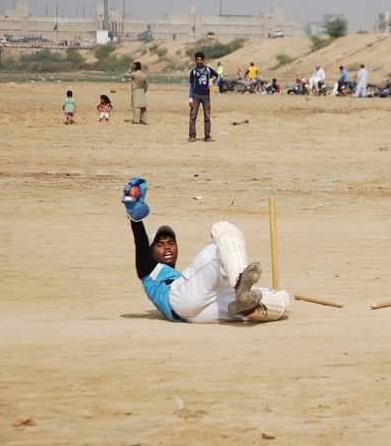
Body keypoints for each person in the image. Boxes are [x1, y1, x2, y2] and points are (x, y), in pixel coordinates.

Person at [121, 177, 290, 324]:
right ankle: (239, 283)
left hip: (195, 315)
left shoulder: (180, 277)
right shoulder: (150, 273)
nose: (167, 247)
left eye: (171, 243)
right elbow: (140, 244)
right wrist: (135, 217)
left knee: (278, 297)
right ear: (150, 253)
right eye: (160, 244)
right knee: (222, 230)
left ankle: (247, 305)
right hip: (178, 301)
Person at [188, 51, 219, 142]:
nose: (199, 61)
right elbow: (191, 85)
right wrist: (190, 98)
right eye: (198, 60)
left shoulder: (208, 70)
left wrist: (212, 84)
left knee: (207, 116)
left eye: (201, 60)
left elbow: (218, 76)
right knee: (193, 115)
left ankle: (207, 136)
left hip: (206, 96)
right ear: (195, 60)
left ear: (203, 60)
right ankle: (192, 136)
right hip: (195, 95)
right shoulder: (193, 72)